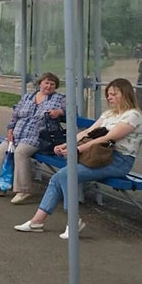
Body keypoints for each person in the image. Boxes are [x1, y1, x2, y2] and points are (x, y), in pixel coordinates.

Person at [15, 78, 141, 238]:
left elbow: (108, 138)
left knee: (66, 176)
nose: (109, 97)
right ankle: (37, 221)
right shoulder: (109, 114)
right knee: (58, 177)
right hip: (98, 156)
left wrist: (77, 149)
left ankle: (72, 222)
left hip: (118, 160)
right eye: (108, 94)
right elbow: (87, 132)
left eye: (113, 94)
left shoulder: (133, 115)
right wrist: (66, 145)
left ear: (125, 94)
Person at [0, 72, 66, 204]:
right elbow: (15, 116)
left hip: (38, 136)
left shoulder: (59, 98)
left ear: (55, 87)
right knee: (0, 152)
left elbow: (71, 109)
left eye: (52, 84)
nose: (48, 86)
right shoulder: (28, 96)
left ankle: (23, 190)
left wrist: (59, 112)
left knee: (20, 152)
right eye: (46, 83)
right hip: (17, 133)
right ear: (40, 83)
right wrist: (10, 130)